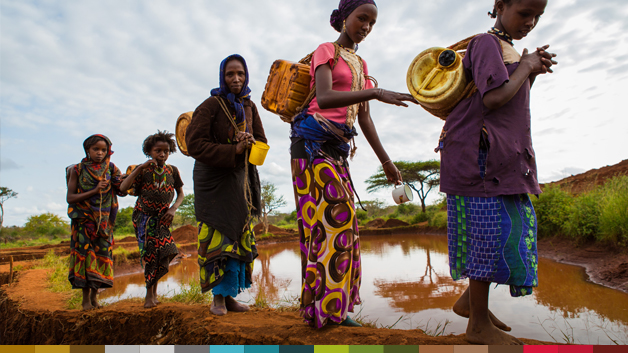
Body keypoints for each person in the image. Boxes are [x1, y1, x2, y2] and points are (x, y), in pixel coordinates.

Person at [436, 0, 557, 345]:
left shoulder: (507, 51)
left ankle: (469, 303)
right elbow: (492, 99)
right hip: (477, 157)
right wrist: (527, 64)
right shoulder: (486, 43)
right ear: (500, 6)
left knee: (504, 229)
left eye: (538, 16)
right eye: (524, 13)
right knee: (488, 235)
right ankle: (477, 326)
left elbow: (510, 99)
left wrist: (529, 70)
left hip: (498, 158)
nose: (530, 22)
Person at [290, 0, 416, 328]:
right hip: (310, 145)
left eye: (372, 23)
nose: (366, 27)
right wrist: (375, 93)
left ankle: (336, 307)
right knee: (333, 219)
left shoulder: (360, 63)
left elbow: (365, 119)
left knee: (347, 226)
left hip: (338, 149)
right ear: (345, 17)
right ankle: (322, 308)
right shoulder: (326, 51)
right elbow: (326, 96)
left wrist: (386, 162)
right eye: (362, 18)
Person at [185, 54, 267, 316]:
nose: (236, 79)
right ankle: (217, 300)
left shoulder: (250, 106)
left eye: (240, 74)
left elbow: (262, 139)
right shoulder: (210, 105)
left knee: (238, 235)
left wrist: (250, 141)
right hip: (213, 181)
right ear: (222, 76)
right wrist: (233, 149)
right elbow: (195, 144)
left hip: (239, 179)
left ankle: (229, 296)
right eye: (230, 74)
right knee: (218, 237)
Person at [120, 130, 184, 308]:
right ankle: (150, 296)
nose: (162, 154)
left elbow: (181, 194)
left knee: (166, 251)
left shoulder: (172, 171)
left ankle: (153, 293)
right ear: (149, 151)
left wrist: (172, 210)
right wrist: (139, 168)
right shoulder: (143, 170)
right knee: (150, 256)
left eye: (166, 151)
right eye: (158, 150)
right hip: (144, 218)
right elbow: (124, 187)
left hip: (163, 219)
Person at [66, 134, 126, 310]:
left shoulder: (111, 169)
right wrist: (94, 190)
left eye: (103, 150)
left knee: (101, 258)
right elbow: (70, 198)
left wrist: (132, 175)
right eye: (96, 149)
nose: (100, 153)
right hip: (84, 222)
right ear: (87, 150)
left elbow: (121, 189)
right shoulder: (77, 170)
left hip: (104, 224)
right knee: (85, 259)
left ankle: (95, 298)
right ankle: (85, 301)